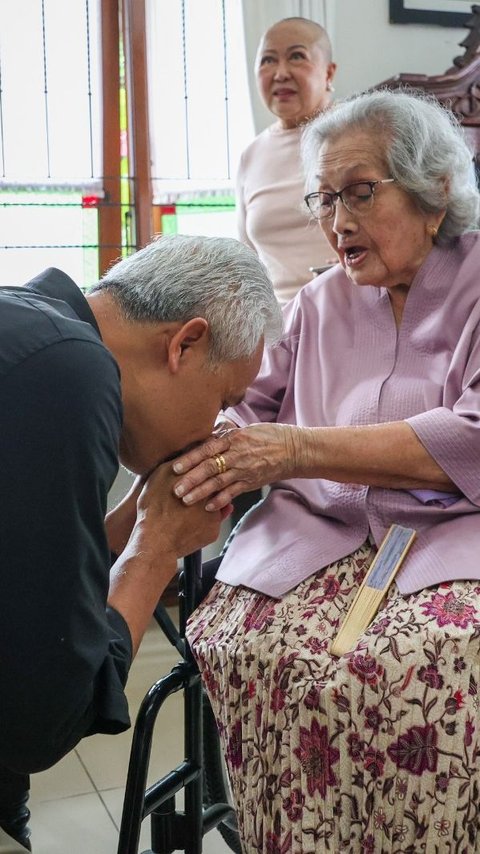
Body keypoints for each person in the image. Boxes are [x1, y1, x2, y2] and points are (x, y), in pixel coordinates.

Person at [172, 90, 480, 851]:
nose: (336, 219)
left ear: (434, 193)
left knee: (416, 667)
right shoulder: (315, 303)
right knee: (244, 643)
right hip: (315, 536)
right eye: (324, 197)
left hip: (452, 538)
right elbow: (247, 407)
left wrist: (299, 448)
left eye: (360, 192)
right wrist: (222, 442)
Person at [0, 233, 281, 853]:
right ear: (185, 343)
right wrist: (157, 549)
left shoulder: (30, 323)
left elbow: (31, 576)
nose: (215, 426)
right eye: (223, 401)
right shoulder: (71, 375)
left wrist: (133, 520)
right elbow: (43, 719)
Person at [236, 16, 337, 305]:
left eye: (296, 56)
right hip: (276, 326)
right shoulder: (251, 155)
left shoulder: (356, 134)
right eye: (268, 60)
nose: (280, 73)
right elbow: (246, 261)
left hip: (351, 309)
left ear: (329, 73)